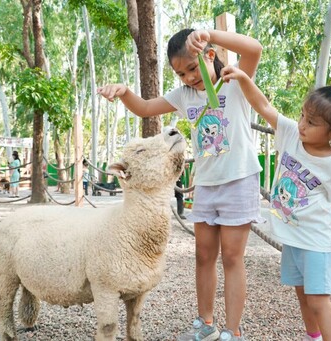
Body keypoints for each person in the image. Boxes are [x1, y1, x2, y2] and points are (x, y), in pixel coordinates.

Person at [98, 28, 264, 341]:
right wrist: (124, 92)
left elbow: (254, 48)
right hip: (206, 184)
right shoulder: (185, 95)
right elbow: (146, 108)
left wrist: (209, 33)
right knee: (203, 256)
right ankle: (205, 324)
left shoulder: (234, 80)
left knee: (231, 257)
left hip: (239, 180)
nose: (188, 78)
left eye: (191, 68)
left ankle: (233, 330)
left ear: (209, 55)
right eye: (180, 73)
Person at [221, 65, 331, 341]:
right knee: (303, 298)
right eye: (303, 115)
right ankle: (313, 337)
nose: (302, 124)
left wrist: (328, 234)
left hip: (318, 244)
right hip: (295, 241)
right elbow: (263, 106)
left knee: (319, 302)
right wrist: (242, 78)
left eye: (312, 122)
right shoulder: (291, 134)